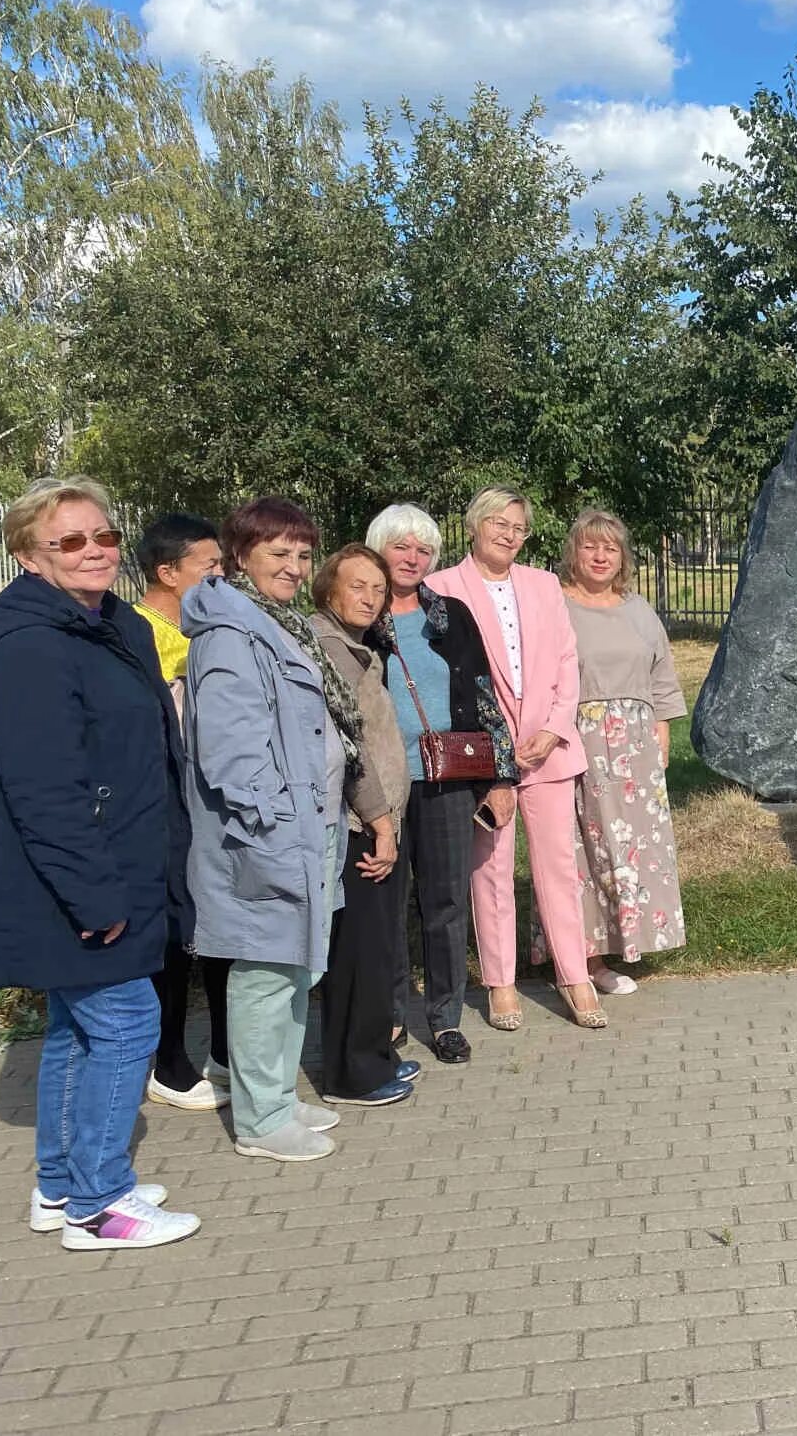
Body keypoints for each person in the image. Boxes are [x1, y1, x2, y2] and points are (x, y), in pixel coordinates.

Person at [0, 477, 200, 1248]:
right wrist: (95, 895)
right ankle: (102, 1203)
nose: (94, 550)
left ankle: (62, 1189)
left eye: (103, 536)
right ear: (31, 556)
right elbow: (44, 791)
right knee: (129, 1023)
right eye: (70, 541)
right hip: (72, 879)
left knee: (76, 1027)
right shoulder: (30, 645)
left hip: (119, 858)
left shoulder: (106, 624)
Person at [184, 498, 353, 1161]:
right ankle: (258, 1122)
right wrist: (274, 822)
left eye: (303, 554)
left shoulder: (276, 624)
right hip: (271, 832)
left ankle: (276, 1095)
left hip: (309, 821)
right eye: (278, 552)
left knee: (294, 966)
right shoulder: (230, 635)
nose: (294, 565)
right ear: (241, 555)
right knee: (264, 972)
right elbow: (230, 752)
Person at [428, 488, 599, 1029]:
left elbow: (568, 662)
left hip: (547, 749)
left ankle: (575, 975)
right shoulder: (441, 587)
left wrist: (553, 728)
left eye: (518, 527)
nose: (508, 534)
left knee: (558, 869)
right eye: (498, 523)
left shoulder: (544, 584)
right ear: (475, 525)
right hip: (484, 756)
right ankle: (500, 983)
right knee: (491, 869)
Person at [369, 504, 517, 1065]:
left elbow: (484, 695)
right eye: (401, 546)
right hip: (378, 786)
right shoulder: (358, 613)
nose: (412, 558)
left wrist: (501, 776)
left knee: (446, 901)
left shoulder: (449, 614)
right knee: (384, 904)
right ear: (378, 549)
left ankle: (445, 1018)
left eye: (423, 549)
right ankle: (385, 1016)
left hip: (446, 780)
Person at [560, 508, 689, 989]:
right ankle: (584, 960)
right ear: (574, 552)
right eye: (590, 546)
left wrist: (662, 734)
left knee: (635, 848)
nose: (599, 556)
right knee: (588, 849)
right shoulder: (557, 605)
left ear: (623, 558)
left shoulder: (638, 609)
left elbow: (662, 675)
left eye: (609, 548)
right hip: (582, 740)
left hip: (635, 746)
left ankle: (623, 943)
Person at [131, 513, 232, 1112]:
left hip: (215, 800)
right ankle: (168, 1063)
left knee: (218, 931)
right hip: (167, 804)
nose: (221, 575)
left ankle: (222, 1052)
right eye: (209, 565)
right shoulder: (138, 633)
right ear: (168, 572)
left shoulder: (210, 625)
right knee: (174, 935)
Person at [311, 545, 418, 1106]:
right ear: (330, 588)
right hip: (357, 823)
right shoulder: (328, 648)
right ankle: (354, 1074)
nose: (371, 597)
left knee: (377, 946)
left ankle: (374, 1054)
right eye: (358, 586)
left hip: (375, 818)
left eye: (378, 589)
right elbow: (350, 748)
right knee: (358, 951)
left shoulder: (356, 646)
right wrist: (379, 822)